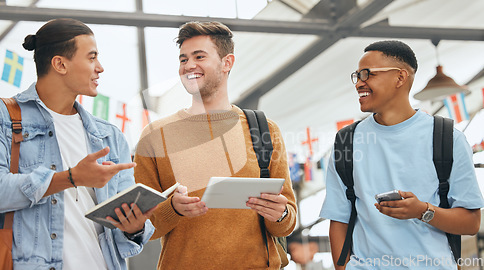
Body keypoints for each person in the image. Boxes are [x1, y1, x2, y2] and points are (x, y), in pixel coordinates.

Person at [0, 18, 155, 269]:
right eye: (92, 57)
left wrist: (134, 227)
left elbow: (123, 242)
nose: (100, 68)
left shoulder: (109, 135)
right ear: (60, 64)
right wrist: (71, 177)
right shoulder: (0, 115)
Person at [134, 21, 297, 269]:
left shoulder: (264, 130)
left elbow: (288, 219)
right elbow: (143, 226)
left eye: (199, 56)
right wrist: (173, 209)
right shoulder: (155, 135)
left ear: (227, 62)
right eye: (183, 59)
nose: (189, 65)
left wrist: (280, 214)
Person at [320, 40, 484, 269]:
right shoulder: (346, 141)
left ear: (400, 77)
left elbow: (471, 222)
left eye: (367, 74)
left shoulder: (447, 138)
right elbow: (339, 219)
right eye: (356, 76)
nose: (359, 83)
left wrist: (423, 211)